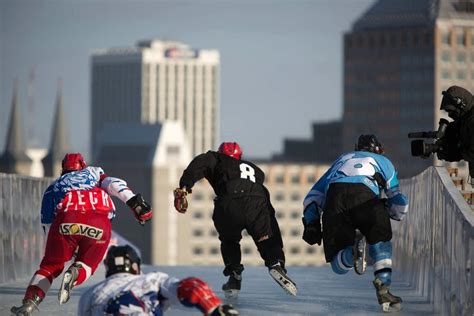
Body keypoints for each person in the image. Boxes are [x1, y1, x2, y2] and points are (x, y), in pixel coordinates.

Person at [11, 153, 152, 315]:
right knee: (88, 263)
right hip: (99, 220)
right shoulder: (94, 172)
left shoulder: (53, 188)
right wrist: (133, 201)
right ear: (83, 165)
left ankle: (30, 301)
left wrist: (62, 248)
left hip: (66, 218)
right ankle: (76, 272)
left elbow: (49, 226)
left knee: (50, 266)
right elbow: (114, 184)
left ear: (63, 170)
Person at [173, 142, 297, 298]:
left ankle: (234, 276)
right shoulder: (254, 170)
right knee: (267, 238)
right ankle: (275, 263)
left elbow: (199, 164)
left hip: (228, 203)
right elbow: (266, 202)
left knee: (229, 241)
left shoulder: (215, 158)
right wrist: (269, 227)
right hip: (257, 203)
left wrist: (184, 187)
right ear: (239, 157)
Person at [302, 135, 409, 312]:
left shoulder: (342, 159)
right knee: (380, 242)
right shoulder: (383, 160)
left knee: (338, 265)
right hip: (366, 197)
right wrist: (394, 213)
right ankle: (383, 286)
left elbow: (313, 197)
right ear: (378, 149)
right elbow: (397, 198)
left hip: (335, 199)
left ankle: (350, 255)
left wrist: (311, 223)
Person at [78, 245, 239, 316]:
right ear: (135, 266)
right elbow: (192, 287)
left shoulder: (89, 294)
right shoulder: (151, 279)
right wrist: (214, 308)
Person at [437, 86, 474, 183]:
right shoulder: (466, 119)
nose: (450, 115)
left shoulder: (471, 120)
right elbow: (454, 131)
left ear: (461, 104)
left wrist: (454, 153)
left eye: (452, 111)